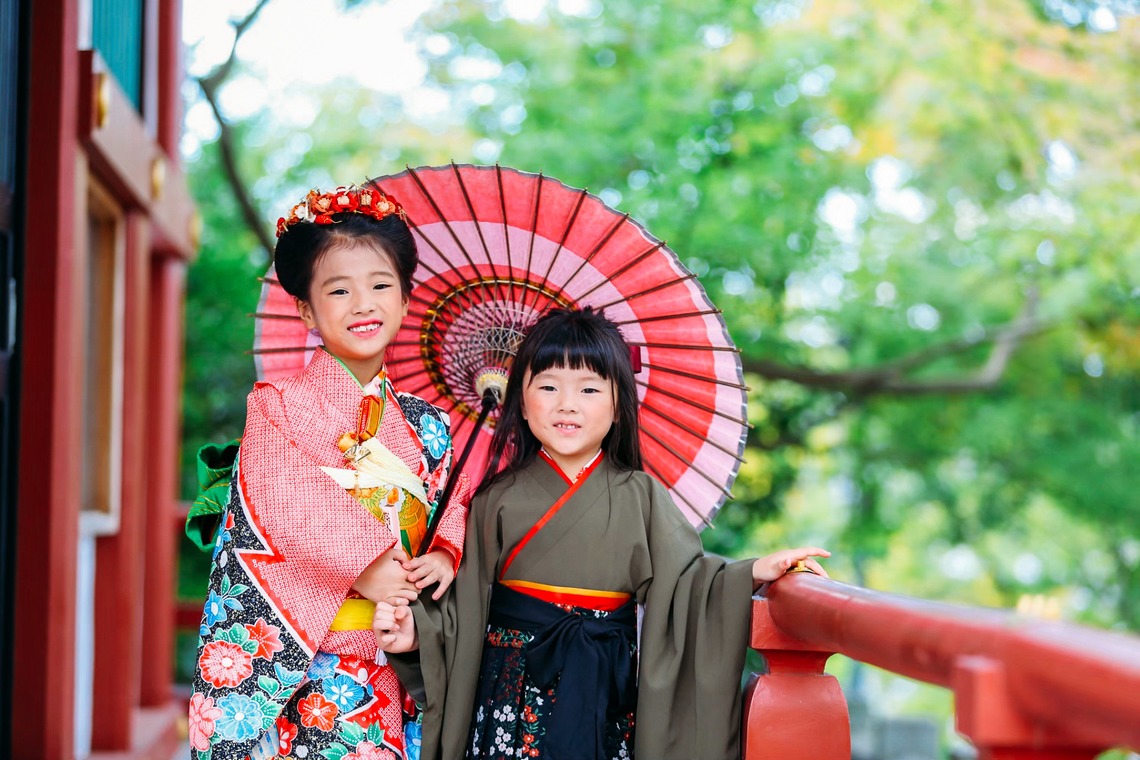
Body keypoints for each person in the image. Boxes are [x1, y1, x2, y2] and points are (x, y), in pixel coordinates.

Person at [374, 307, 829, 760]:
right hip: (510, 695)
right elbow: (463, 607)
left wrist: (752, 572)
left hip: (604, 693)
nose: (567, 404)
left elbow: (689, 586)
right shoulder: (495, 499)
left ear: (617, 408)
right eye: (548, 387)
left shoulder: (641, 496)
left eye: (589, 389)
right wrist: (419, 633)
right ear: (522, 403)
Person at [188, 184, 470, 760]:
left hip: (395, 649)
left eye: (381, 286)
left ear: (406, 299)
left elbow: (454, 502)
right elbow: (280, 500)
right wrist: (368, 566)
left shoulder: (430, 425)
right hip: (306, 661)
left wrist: (445, 553)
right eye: (339, 290)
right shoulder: (276, 407)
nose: (363, 304)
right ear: (306, 310)